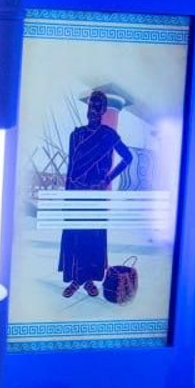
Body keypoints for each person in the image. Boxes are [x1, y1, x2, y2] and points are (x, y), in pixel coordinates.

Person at [58, 90, 133, 298]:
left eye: (98, 106)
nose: (93, 110)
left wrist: (108, 178)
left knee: (92, 237)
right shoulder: (76, 135)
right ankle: (75, 279)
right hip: (75, 194)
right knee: (74, 237)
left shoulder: (108, 135)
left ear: (102, 111)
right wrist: (67, 196)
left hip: (94, 196)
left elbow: (128, 158)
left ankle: (89, 279)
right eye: (91, 105)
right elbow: (72, 168)